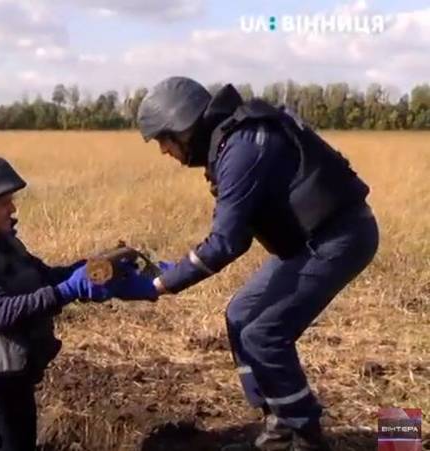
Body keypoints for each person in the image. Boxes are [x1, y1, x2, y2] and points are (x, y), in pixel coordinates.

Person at [128, 77, 379, 450]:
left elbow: (225, 243)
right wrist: (170, 270)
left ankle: (305, 434)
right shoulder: (234, 142)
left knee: (263, 334)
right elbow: (238, 236)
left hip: (339, 238)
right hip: (310, 241)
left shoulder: (243, 148)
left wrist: (160, 285)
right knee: (241, 314)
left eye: (163, 139)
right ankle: (278, 424)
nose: (164, 151)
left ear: (183, 127)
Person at [0, 154, 151, 451]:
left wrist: (90, 272)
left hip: (13, 378)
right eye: (4, 202)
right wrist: (68, 290)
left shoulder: (3, 243)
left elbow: (44, 277)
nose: (13, 208)